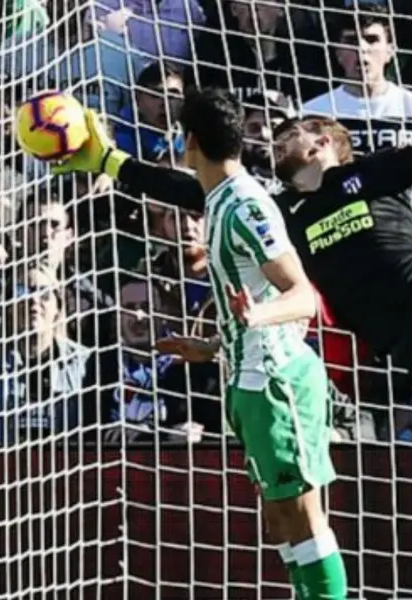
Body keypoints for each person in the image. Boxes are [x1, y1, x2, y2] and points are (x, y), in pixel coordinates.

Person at [54, 32, 412, 518]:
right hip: (410, 345)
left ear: (324, 142)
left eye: (293, 131)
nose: (278, 139)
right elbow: (191, 191)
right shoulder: (281, 212)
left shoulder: (369, 175)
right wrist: (109, 163)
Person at [117, 87, 346, 599]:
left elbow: (302, 296)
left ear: (189, 141)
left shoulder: (246, 205)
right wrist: (214, 344)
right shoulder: (218, 201)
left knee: (305, 519)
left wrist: (256, 316)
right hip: (248, 376)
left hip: (278, 380)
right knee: (280, 519)